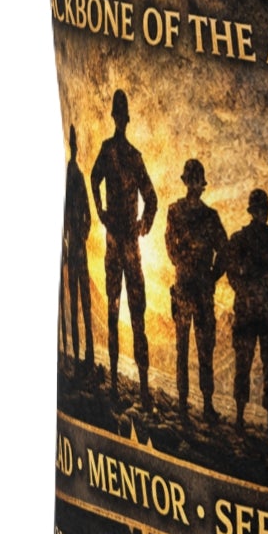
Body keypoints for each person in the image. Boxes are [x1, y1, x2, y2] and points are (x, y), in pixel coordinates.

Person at [90, 88, 157, 405]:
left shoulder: (134, 156)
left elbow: (152, 197)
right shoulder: (107, 150)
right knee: (113, 312)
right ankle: (116, 383)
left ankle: (142, 387)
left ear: (125, 119)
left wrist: (144, 223)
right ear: (116, 117)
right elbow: (94, 178)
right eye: (117, 115)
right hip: (115, 242)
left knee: (138, 314)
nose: (119, 119)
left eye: (122, 115)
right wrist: (100, 210)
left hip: (129, 243)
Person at [165, 157, 229, 421]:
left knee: (205, 350)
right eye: (191, 180)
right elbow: (169, 243)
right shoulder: (175, 211)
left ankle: (207, 405)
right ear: (187, 182)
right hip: (185, 288)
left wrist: (211, 276)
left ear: (201, 185)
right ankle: (182, 404)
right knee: (182, 349)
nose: (194, 186)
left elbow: (224, 250)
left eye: (197, 181)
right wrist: (183, 265)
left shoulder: (211, 217)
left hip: (202, 291)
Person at [224, 190, 268, 431]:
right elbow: (231, 270)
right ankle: (239, 418)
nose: (263, 214)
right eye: (259, 210)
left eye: (265, 210)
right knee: (243, 363)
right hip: (248, 310)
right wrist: (246, 291)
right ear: (252, 212)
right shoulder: (240, 239)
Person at [60, 123, 93, 371]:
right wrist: (66, 238)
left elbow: (88, 215)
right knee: (75, 303)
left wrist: (81, 235)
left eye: (74, 143)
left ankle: (87, 355)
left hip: (78, 247)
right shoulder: (70, 175)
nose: (74, 147)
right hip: (72, 247)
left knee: (85, 302)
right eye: (72, 143)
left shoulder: (78, 176)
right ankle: (76, 353)